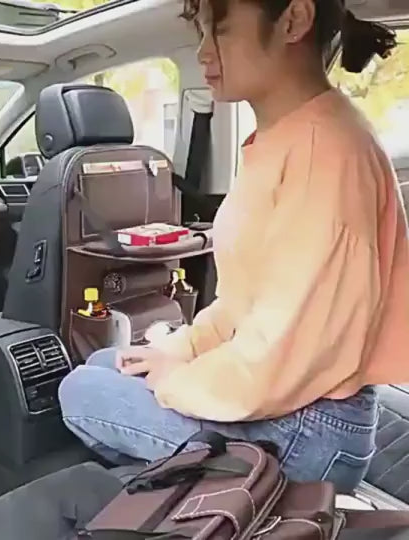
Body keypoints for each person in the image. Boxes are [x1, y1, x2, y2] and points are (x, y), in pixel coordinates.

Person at [58, 0, 408, 494]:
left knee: (82, 391)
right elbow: (246, 303)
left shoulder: (323, 154)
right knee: (106, 364)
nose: (203, 51)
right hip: (290, 398)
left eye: (220, 29)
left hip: (311, 432)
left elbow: (288, 349)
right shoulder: (284, 138)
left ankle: (193, 496)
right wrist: (181, 349)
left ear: (294, 20)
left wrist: (175, 381)